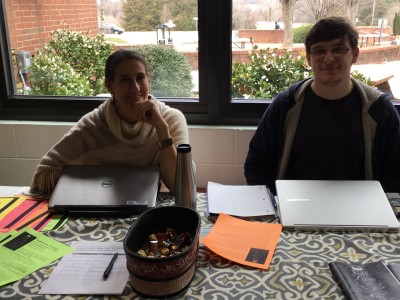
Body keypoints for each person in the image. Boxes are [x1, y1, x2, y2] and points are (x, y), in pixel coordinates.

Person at [244, 17, 400, 194]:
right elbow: (257, 163)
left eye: (338, 49)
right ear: (309, 58)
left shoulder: (380, 110)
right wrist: (277, 202)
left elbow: (396, 172)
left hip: (360, 212)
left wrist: (376, 207)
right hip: (294, 207)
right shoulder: (285, 105)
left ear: (355, 54)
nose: (329, 59)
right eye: (319, 51)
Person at [30, 49, 190, 195]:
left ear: (149, 80)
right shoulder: (93, 125)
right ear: (109, 86)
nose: (135, 88)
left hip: (153, 210)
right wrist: (99, 181)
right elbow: (42, 176)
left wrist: (162, 129)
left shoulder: (170, 120)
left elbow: (181, 188)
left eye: (140, 78)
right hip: (101, 209)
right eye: (125, 80)